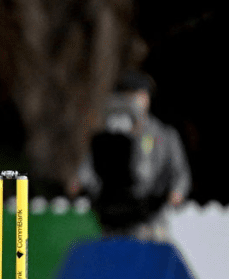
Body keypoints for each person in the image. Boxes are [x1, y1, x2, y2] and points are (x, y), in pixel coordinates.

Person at [69, 70, 192, 240]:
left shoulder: (164, 134)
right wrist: (79, 182)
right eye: (130, 95)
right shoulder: (111, 135)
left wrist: (176, 193)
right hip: (114, 214)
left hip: (152, 215)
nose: (135, 101)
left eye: (140, 95)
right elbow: (91, 168)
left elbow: (180, 174)